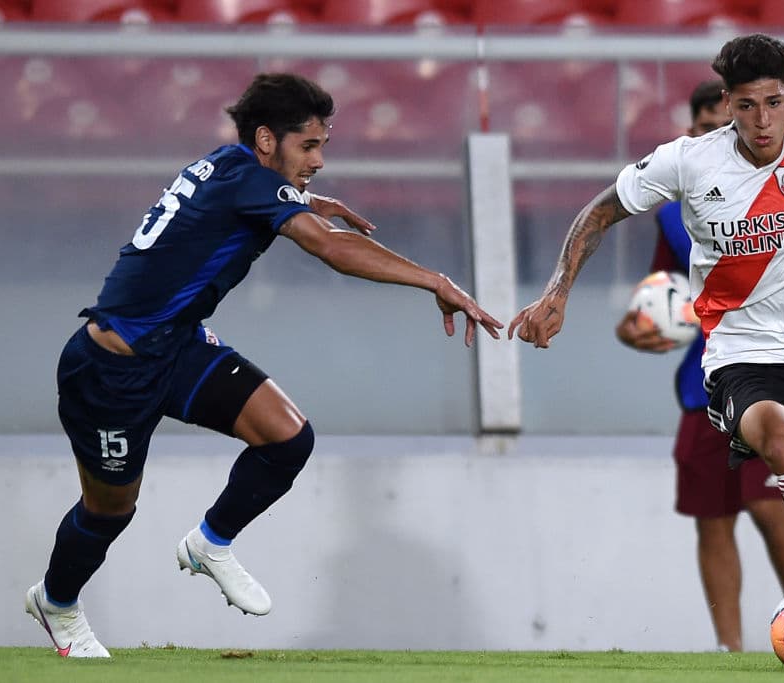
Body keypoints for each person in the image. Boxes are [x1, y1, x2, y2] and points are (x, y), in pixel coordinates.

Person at [25, 72, 503, 658]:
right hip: (110, 369)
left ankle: (210, 543)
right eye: (309, 145)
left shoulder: (229, 164)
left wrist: (301, 199)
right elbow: (330, 248)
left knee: (288, 437)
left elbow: (233, 208)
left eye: (323, 144)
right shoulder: (250, 181)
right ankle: (57, 602)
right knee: (109, 513)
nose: (320, 159)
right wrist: (435, 280)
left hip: (175, 348)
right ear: (267, 139)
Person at [510, 33, 784, 644]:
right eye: (745, 106)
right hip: (739, 350)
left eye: (773, 102)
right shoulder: (689, 160)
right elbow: (600, 209)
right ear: (727, 103)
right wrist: (557, 290)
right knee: (772, 434)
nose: (762, 120)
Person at [615, 80, 784, 653]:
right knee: (713, 515)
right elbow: (661, 298)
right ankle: (729, 649)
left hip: (775, 379)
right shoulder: (674, 213)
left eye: (716, 126)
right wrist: (635, 330)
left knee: (771, 507)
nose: (709, 136)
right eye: (699, 128)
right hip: (702, 387)